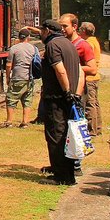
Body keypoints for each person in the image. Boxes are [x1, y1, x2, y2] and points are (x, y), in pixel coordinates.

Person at [38, 19, 85, 185]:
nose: (41, 34)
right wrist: (76, 94)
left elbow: (61, 71)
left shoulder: (52, 46)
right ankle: (67, 171)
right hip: (70, 97)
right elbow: (80, 72)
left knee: (56, 135)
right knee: (67, 135)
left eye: (42, 31)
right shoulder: (69, 44)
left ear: (48, 31)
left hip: (57, 98)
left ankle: (62, 177)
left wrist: (66, 92)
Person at [3, 28, 39, 127]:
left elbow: (9, 65)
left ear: (19, 37)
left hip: (17, 77)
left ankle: (9, 121)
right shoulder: (33, 48)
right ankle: (25, 122)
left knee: (11, 98)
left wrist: (7, 77)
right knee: (27, 100)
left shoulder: (14, 48)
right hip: (30, 77)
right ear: (28, 37)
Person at [78, 20, 103, 136]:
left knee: (90, 104)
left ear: (84, 31)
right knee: (95, 103)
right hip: (95, 77)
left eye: (80, 29)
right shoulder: (94, 40)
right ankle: (97, 128)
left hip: (89, 78)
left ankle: (91, 129)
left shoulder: (88, 43)